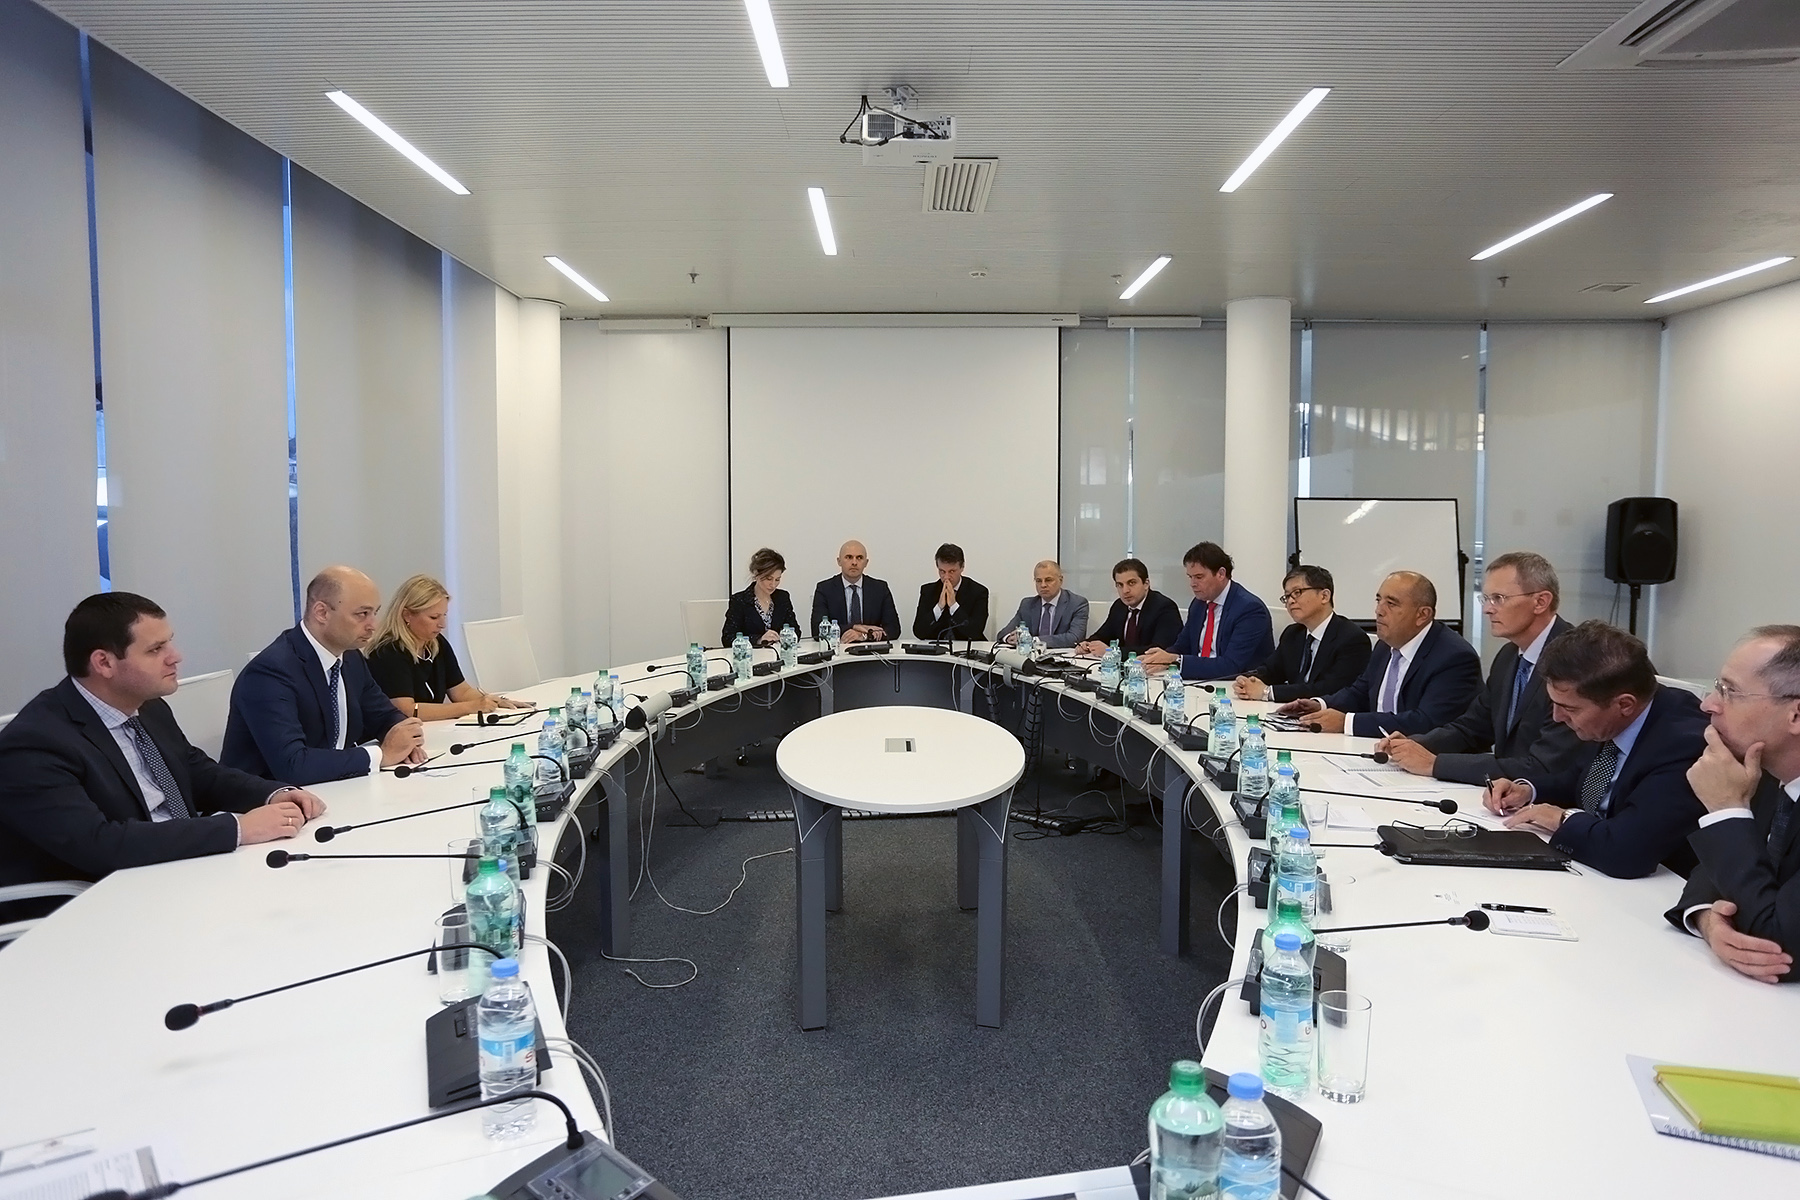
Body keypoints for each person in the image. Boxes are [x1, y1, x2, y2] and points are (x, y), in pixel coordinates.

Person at [0, 593, 326, 894]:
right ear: (104, 663)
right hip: (102, 898)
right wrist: (237, 829)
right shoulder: (35, 744)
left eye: (169, 643)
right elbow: (99, 844)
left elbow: (198, 772)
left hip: (179, 868)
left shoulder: (147, 706)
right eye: (155, 650)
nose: (175, 657)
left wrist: (273, 793)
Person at [1483, 621, 1707, 878]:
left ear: (1624, 704)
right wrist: (1526, 790)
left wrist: (1562, 819)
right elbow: (1585, 780)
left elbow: (1626, 853)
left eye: (1569, 708)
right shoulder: (1611, 719)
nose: (1557, 717)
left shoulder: (1683, 746)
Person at [1665, 625, 1800, 983]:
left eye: (1730, 691)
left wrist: (1726, 810)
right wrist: (1709, 919)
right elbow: (1717, 867)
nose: (1708, 704)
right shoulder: (1768, 771)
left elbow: (1779, 947)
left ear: (1796, 715)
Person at [1376, 551, 1582, 786]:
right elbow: (1473, 727)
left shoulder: (1575, 661)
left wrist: (1435, 764)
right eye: (1486, 599)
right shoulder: (1508, 656)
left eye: (1499, 598)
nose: (1487, 609)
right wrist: (1416, 744)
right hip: (1505, 795)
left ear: (1540, 602)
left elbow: (1544, 765)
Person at [222, 566, 425, 786]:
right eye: (362, 614)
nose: (373, 626)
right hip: (266, 797)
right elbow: (293, 765)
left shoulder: (351, 658)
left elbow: (383, 715)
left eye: (374, 613)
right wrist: (381, 756)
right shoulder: (270, 672)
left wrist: (405, 738)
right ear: (322, 613)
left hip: (333, 786)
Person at [1276, 571, 1480, 737]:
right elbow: (1360, 692)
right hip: (1377, 750)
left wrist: (1347, 722)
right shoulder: (1384, 646)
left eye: (1391, 603)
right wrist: (1319, 705)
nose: (1378, 611)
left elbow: (1426, 722)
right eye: (1378, 600)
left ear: (1422, 615)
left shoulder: (1454, 657)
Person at [366, 574, 532, 720]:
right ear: (407, 615)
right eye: (434, 617)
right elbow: (406, 710)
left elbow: (461, 692)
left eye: (444, 615)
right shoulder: (388, 652)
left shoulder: (436, 644)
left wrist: (494, 701)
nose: (442, 624)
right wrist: (471, 707)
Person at [1232, 564, 1370, 702]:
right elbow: (1270, 671)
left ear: (1324, 596)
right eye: (1287, 596)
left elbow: (1330, 689)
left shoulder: (1352, 639)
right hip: (1290, 710)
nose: (1290, 601)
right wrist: (1248, 682)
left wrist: (1267, 692)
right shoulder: (1293, 634)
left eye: (1297, 592)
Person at [1141, 542, 1275, 681]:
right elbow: (1182, 646)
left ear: (1221, 574)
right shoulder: (1198, 604)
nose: (1192, 584)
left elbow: (1231, 666)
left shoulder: (1250, 609)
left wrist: (1175, 659)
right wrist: (1157, 659)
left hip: (1236, 684)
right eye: (1190, 577)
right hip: (1198, 681)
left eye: (1199, 577)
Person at [1077, 558, 1183, 655]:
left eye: (1131, 583)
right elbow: (1103, 635)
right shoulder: (1119, 606)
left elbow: (1159, 649)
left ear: (1146, 584)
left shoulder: (1165, 607)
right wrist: (1087, 644)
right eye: (1120, 585)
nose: (1125, 591)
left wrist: (1113, 652)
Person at [809, 541, 902, 643]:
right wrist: (854, 627)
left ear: (866, 563)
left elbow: (894, 629)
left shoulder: (880, 588)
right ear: (839, 561)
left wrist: (865, 635)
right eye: (849, 557)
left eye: (859, 558)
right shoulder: (825, 589)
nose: (854, 562)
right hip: (839, 648)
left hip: (871, 649)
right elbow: (817, 630)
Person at [999, 561, 1089, 649]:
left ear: (1061, 580)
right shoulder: (1027, 604)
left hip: (1061, 656)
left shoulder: (1077, 603)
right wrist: (1009, 638)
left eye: (1048, 580)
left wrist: (1034, 640)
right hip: (1031, 655)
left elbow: (1075, 638)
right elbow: (1003, 633)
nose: (1043, 585)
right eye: (1038, 581)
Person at [722, 547, 801, 646]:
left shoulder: (782, 597)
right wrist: (759, 640)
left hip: (778, 653)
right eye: (769, 579)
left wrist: (783, 636)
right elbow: (728, 638)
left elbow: (796, 631)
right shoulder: (740, 601)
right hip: (752, 654)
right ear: (756, 574)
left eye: (777, 579)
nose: (773, 585)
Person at [913, 543, 990, 642]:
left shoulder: (978, 592)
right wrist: (939, 607)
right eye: (942, 571)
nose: (946, 577)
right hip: (937, 647)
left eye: (952, 571)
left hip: (966, 648)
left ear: (962, 567)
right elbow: (918, 632)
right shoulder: (928, 591)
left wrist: (953, 606)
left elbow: (975, 631)